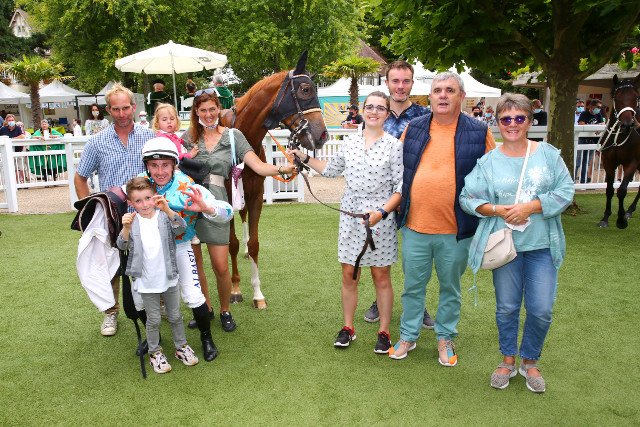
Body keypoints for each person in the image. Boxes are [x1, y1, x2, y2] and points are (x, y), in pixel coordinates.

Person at [460, 93, 574, 393]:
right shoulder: (488, 161)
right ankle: (508, 359)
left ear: (530, 121)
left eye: (519, 118)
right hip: (505, 248)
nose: (512, 124)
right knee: (507, 307)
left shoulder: (548, 155)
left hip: (542, 246)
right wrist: (497, 209)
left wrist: (531, 207)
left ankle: (530, 361)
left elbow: (565, 191)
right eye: (506, 118)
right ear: (497, 123)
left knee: (541, 309)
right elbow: (467, 197)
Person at [389, 72, 496, 364]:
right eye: (437, 90)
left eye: (450, 90)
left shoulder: (479, 131)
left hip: (456, 230)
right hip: (414, 226)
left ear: (462, 96)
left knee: (450, 288)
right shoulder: (414, 128)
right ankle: (408, 336)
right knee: (413, 287)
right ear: (430, 96)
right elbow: (394, 167)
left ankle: (445, 337)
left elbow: (494, 173)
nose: (443, 95)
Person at [290, 91, 402, 353]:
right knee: (349, 274)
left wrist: (382, 212)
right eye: (370, 107)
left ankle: (384, 331)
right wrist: (303, 157)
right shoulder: (349, 143)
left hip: (380, 220)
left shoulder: (394, 146)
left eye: (380, 108)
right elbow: (331, 170)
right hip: (351, 218)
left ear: (387, 114)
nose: (374, 112)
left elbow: (400, 187)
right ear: (363, 110)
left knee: (381, 276)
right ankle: (348, 327)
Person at [182, 89, 295, 333]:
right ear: (196, 112)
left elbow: (258, 165)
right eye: (203, 110)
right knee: (196, 266)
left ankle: (225, 310)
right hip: (190, 204)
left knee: (220, 266)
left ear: (219, 109)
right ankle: (205, 309)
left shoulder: (233, 136)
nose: (209, 114)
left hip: (216, 204)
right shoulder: (188, 137)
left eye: (213, 109)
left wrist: (282, 170)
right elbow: (173, 167)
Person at [140, 137, 234, 361]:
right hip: (150, 250)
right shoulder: (140, 185)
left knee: (193, 295)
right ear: (147, 166)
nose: (159, 171)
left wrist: (207, 208)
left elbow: (228, 212)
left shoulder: (187, 186)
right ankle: (153, 338)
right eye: (154, 165)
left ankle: (206, 338)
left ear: (175, 164)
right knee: (139, 298)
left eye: (165, 165)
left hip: (180, 246)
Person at [75, 83, 156, 337]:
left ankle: (157, 304)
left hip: (146, 210)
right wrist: (89, 211)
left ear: (134, 107)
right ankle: (111, 311)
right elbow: (80, 177)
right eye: (116, 109)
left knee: (151, 256)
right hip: (112, 212)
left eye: (126, 108)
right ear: (108, 110)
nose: (122, 114)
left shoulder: (150, 137)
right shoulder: (97, 142)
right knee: (111, 263)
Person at [365, 60, 433, 329]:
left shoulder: (425, 116)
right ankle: (378, 300)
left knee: (416, 258)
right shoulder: (376, 114)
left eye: (406, 81)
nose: (400, 86)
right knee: (379, 256)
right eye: (395, 81)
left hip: (416, 196)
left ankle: (418, 304)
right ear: (387, 83)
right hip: (382, 200)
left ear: (412, 83)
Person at [116, 176, 199, 374]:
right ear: (131, 203)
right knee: (153, 320)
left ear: (155, 197)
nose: (144, 204)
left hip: (169, 276)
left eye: (148, 198)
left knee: (175, 315)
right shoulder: (132, 222)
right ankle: (155, 352)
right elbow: (121, 245)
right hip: (146, 281)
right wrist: (125, 228)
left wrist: (168, 210)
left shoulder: (163, 217)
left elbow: (181, 228)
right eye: (138, 201)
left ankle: (181, 346)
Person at [576, 99, 605, 183]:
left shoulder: (598, 114)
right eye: (598, 107)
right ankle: (572, 181)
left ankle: (583, 181)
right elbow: (581, 124)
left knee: (587, 162)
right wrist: (596, 126)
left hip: (592, 141)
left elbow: (602, 124)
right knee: (578, 162)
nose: (599, 109)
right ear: (591, 106)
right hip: (582, 140)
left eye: (600, 107)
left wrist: (598, 127)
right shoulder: (584, 113)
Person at [0, 114, 26, 183]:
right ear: (6, 121)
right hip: (8, 152)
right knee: (13, 167)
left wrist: (11, 139)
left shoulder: (18, 128)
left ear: (14, 120)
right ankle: (16, 182)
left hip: (18, 150)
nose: (11, 121)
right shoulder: (3, 129)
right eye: (9, 120)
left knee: (21, 167)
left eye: (12, 120)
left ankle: (23, 181)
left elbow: (22, 136)